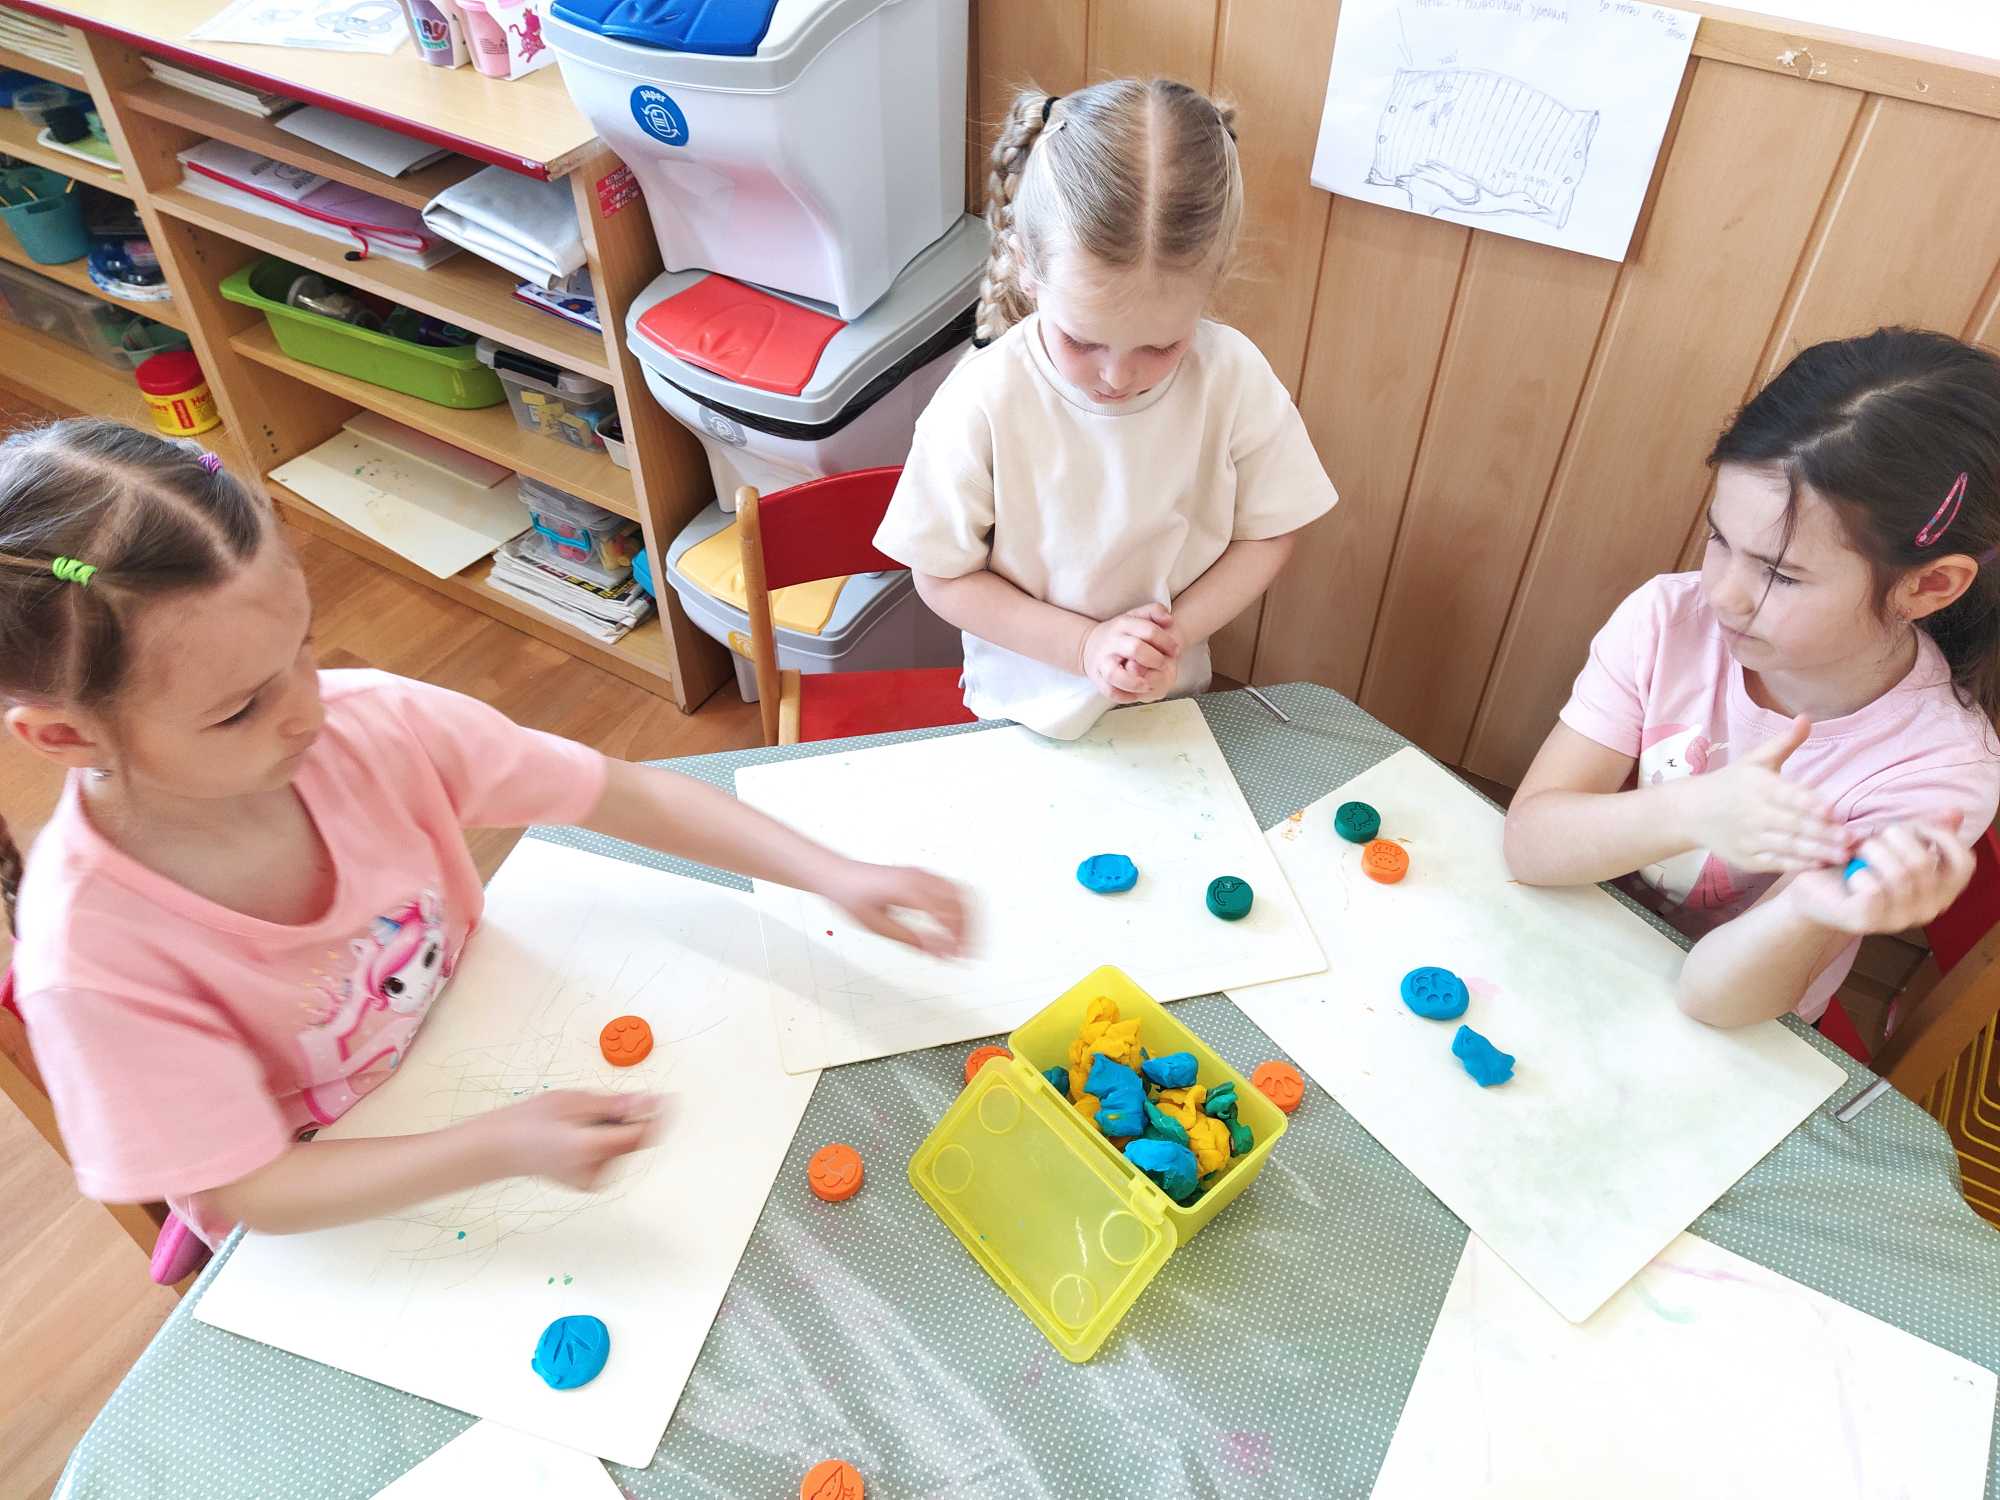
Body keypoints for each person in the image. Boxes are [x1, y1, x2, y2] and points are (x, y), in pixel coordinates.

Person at [0, 419, 967, 1243]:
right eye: (238, 709)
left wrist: (829, 872)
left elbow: (618, 794)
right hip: (340, 1208)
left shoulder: (374, 725)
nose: (306, 711)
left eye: (301, 647)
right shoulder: (94, 962)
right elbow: (250, 1190)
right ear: (65, 735)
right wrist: (496, 1147)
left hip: (483, 1047)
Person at [1503, 329, 2000, 1026]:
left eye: (1780, 575)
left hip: (1734, 1014)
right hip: (1591, 935)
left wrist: (1811, 907)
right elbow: (1529, 844)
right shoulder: (1669, 618)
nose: (1723, 593)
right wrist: (1691, 810)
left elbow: (1714, 1003)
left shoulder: (1937, 768)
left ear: (1929, 585)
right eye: (1719, 539)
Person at [875, 78, 1338, 740]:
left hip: (1170, 702)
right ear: (1025, 265)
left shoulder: (1232, 375)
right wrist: (1084, 647)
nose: (1117, 378)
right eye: (1082, 341)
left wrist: (1170, 637)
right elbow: (943, 577)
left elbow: (1269, 531)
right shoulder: (983, 400)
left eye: (1160, 346)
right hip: (1019, 713)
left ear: (1211, 283)